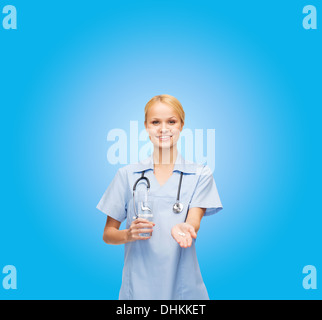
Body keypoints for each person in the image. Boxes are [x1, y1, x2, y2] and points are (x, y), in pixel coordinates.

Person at [96, 94, 223, 300]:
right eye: (156, 122)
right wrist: (128, 234)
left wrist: (185, 227)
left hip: (185, 289)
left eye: (171, 121)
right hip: (137, 291)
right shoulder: (127, 175)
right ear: (146, 126)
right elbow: (108, 233)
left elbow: (193, 220)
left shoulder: (200, 174)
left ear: (181, 125)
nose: (163, 129)